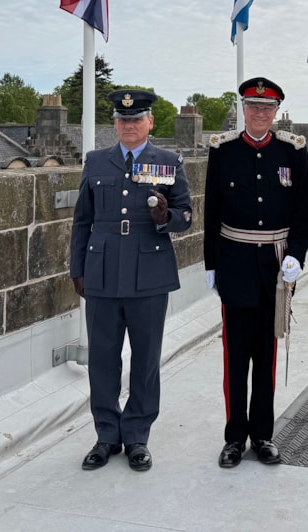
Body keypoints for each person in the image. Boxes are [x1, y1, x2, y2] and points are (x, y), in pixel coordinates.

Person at [70, 88, 193, 473]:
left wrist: (167, 220)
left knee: (145, 359)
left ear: (150, 122)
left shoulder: (168, 161)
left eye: (137, 119)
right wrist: (77, 268)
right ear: (114, 123)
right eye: (123, 120)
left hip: (149, 273)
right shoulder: (96, 161)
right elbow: (82, 220)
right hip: (102, 272)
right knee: (102, 359)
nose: (129, 125)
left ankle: (137, 435)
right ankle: (107, 434)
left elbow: (186, 214)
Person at [204, 77, 308, 468]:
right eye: (253, 106)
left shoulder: (293, 151)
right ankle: (234, 437)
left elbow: (303, 209)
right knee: (236, 356)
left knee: (266, 354)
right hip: (234, 261)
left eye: (268, 108)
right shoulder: (224, 151)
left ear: (277, 111)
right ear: (243, 109)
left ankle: (262, 434)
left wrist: (296, 255)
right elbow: (212, 211)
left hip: (275, 265)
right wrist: (211, 264)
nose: (261, 113)